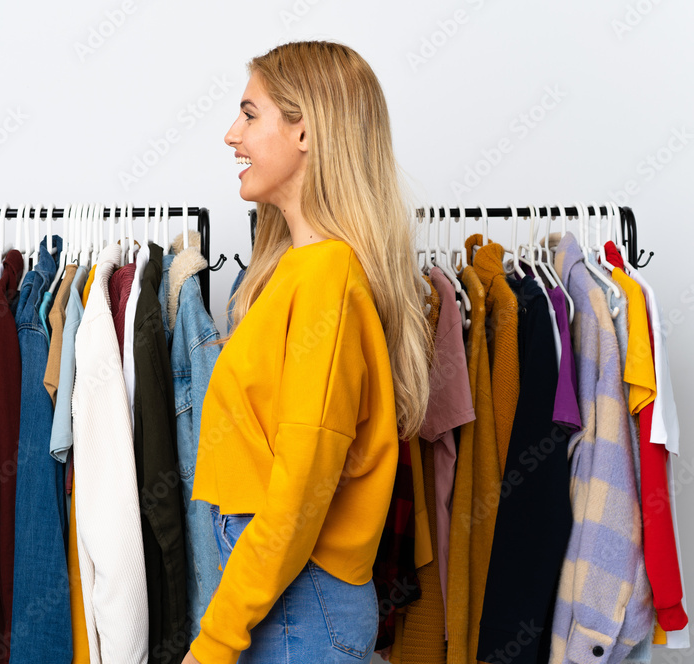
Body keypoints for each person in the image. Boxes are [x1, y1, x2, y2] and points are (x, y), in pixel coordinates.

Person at [182, 41, 431, 664]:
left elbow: (297, 497)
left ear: (305, 131)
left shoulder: (325, 278)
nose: (230, 134)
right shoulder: (298, 274)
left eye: (249, 113)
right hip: (291, 603)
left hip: (303, 608)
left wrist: (211, 645)